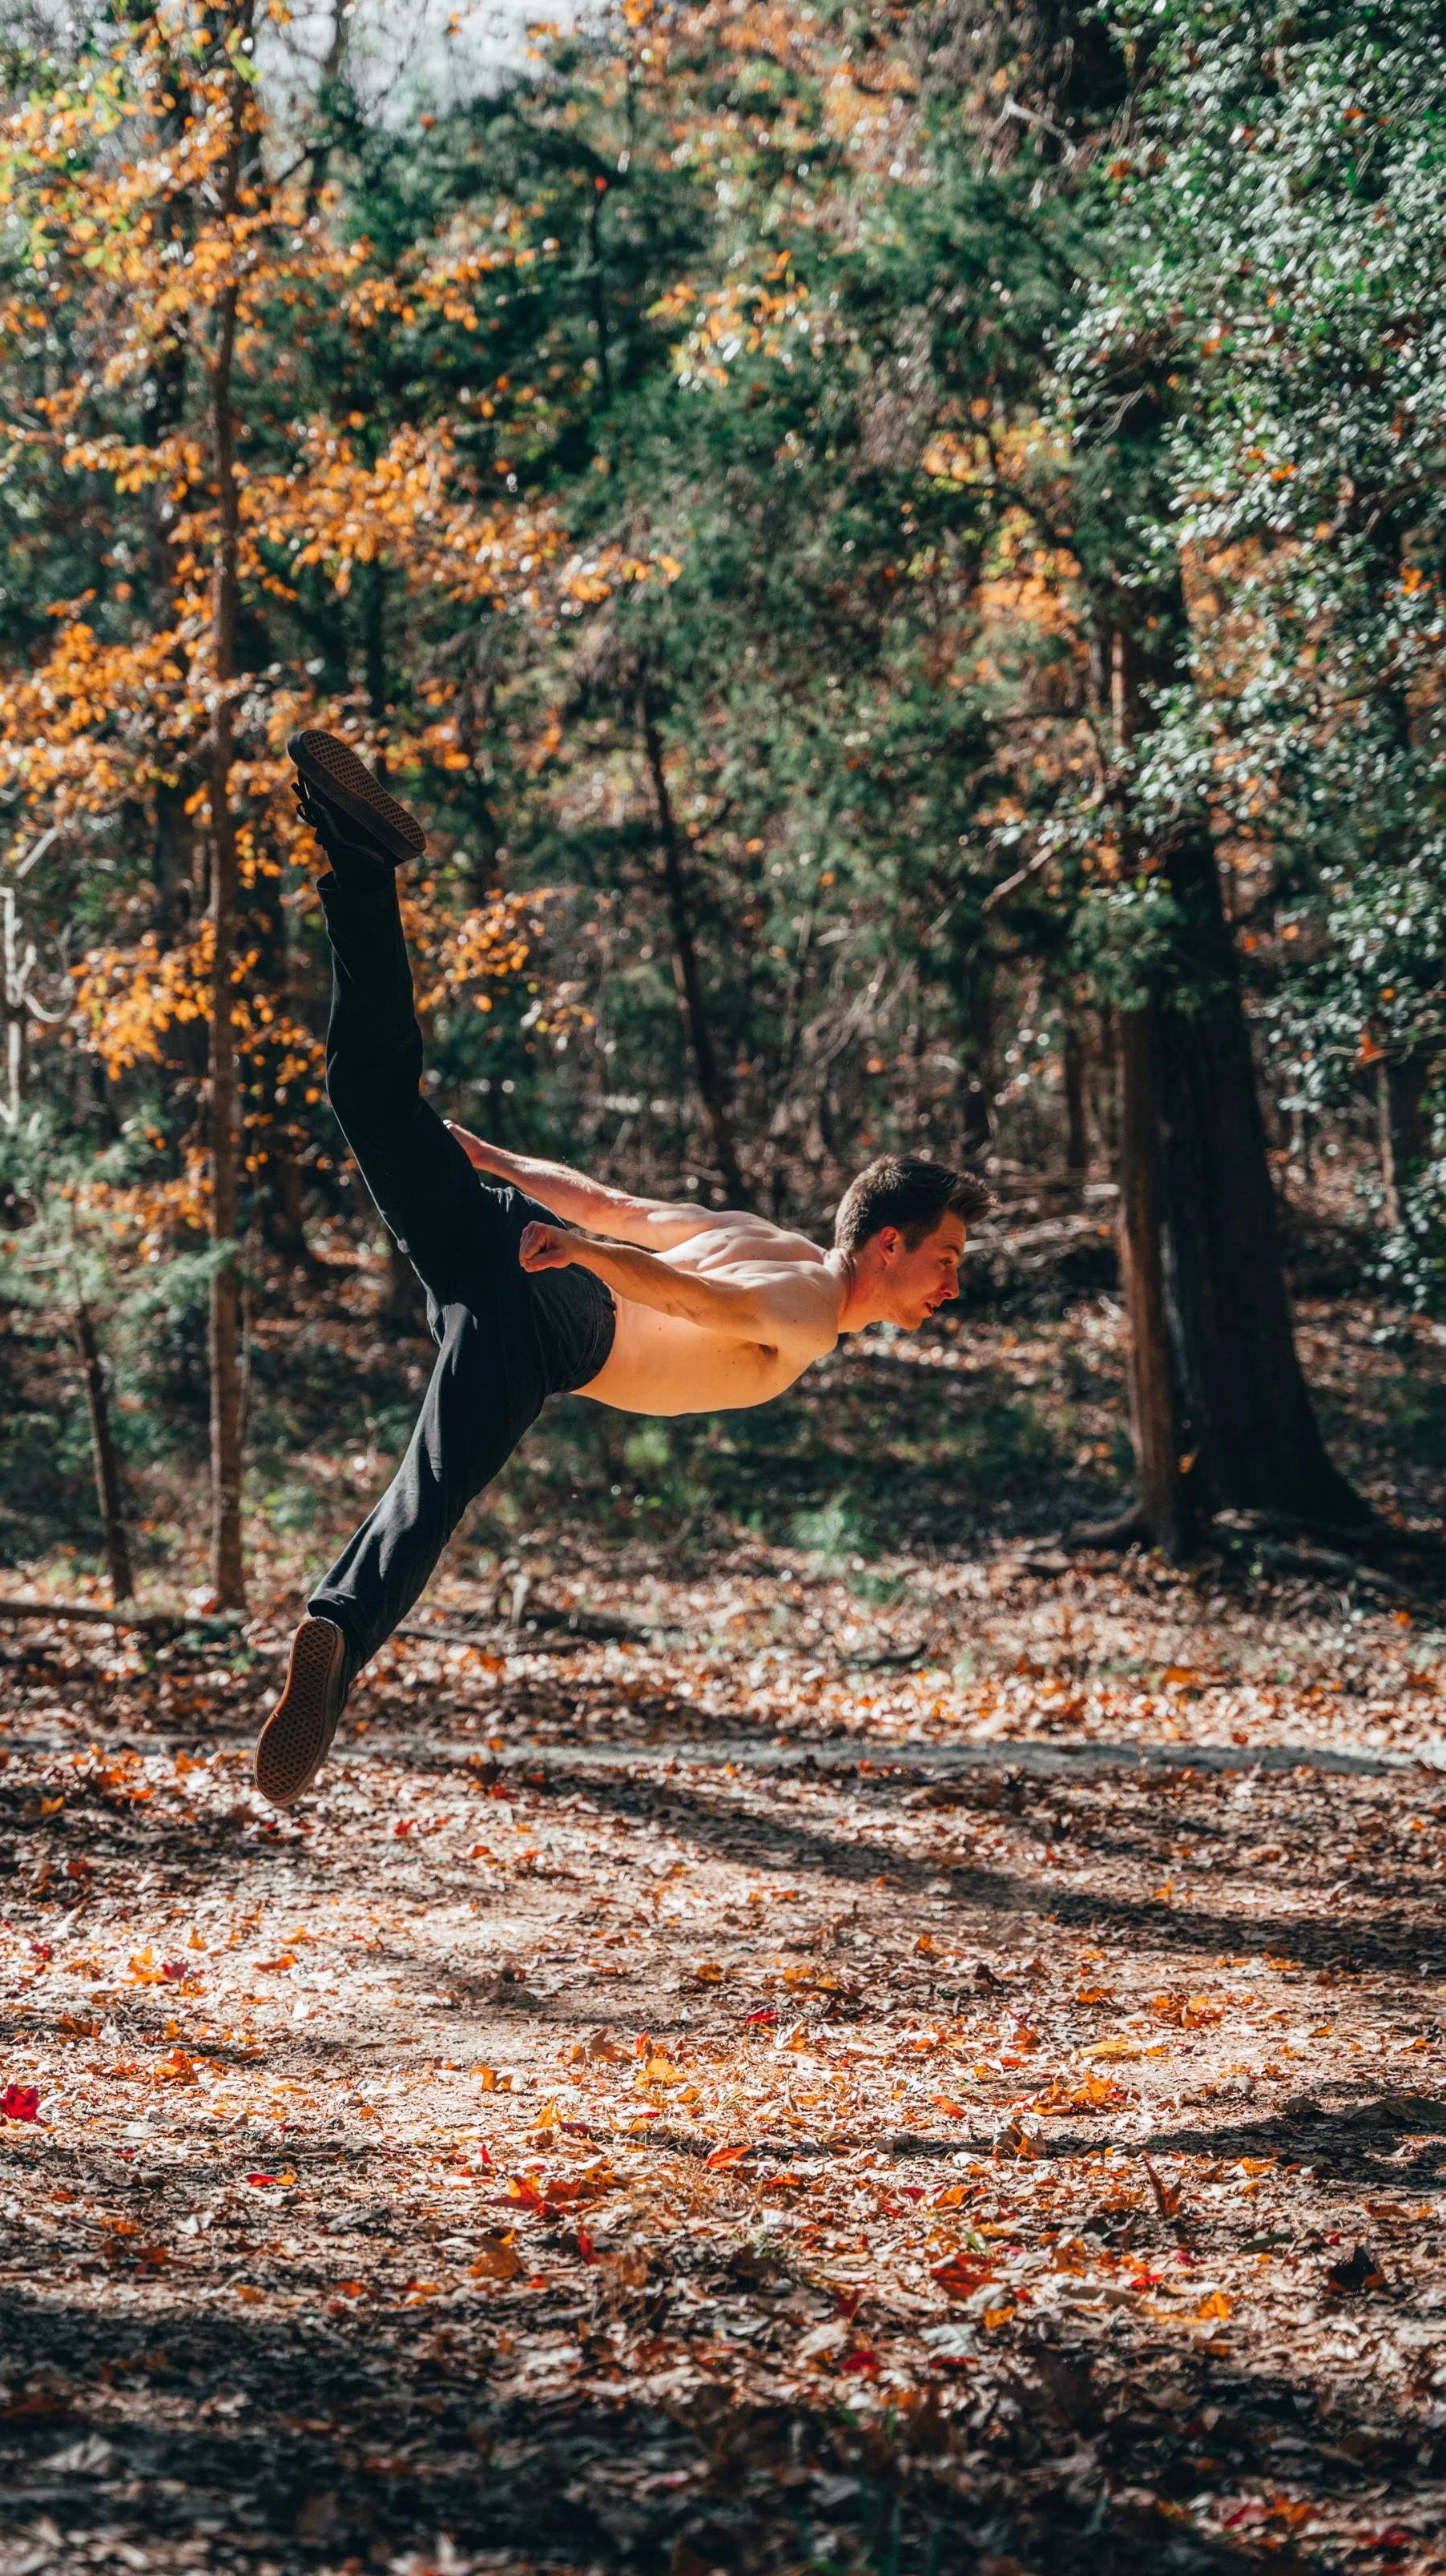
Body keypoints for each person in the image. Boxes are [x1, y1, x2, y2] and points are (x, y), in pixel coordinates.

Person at [255, 729, 994, 1807]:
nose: (952, 1286)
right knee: (437, 1483)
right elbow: (693, 1293)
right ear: (889, 1243)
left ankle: (357, 860)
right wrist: (585, 1256)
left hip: (505, 1241)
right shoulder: (806, 1301)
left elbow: (616, 1201)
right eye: (946, 1258)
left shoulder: (768, 1235)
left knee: (371, 1097)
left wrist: (485, 1160)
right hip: (558, 1310)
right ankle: (338, 1629)